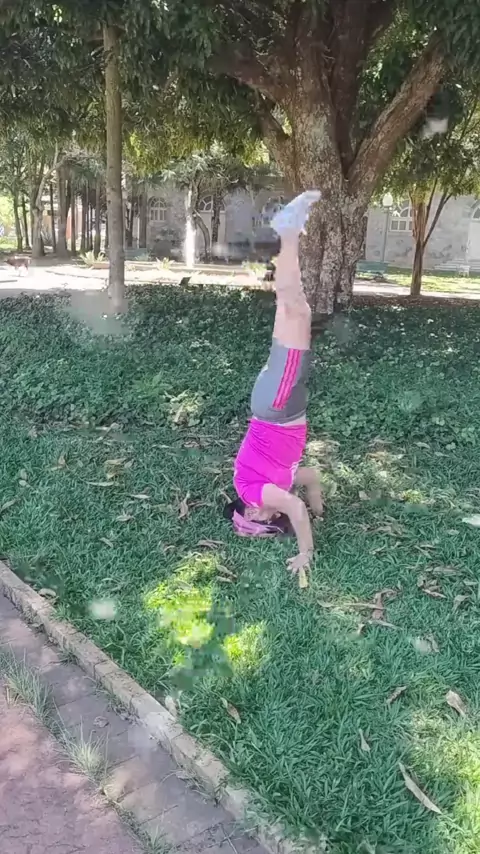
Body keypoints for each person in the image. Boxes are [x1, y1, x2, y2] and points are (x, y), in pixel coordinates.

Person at [226, 191, 323, 578]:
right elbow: (310, 478)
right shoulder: (274, 482)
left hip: (277, 405)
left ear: (252, 513)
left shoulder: (253, 493)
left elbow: (294, 508)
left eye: (270, 520)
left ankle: (288, 232)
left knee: (296, 309)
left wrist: (306, 553)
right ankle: (288, 233)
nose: (276, 515)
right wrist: (319, 508)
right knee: (291, 308)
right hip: (276, 403)